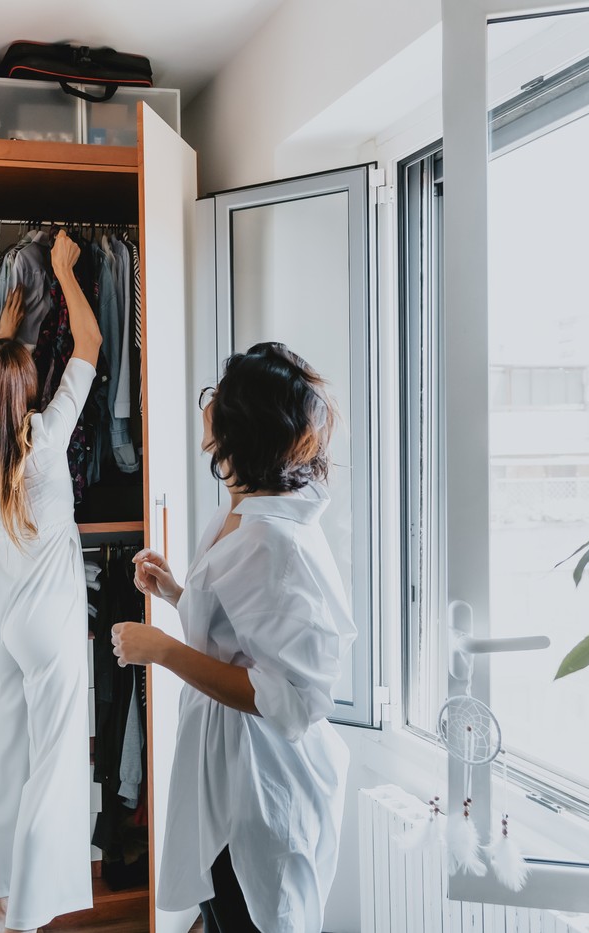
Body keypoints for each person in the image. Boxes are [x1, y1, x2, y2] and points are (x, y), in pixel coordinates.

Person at [111, 342, 356, 933]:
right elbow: (247, 630)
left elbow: (290, 698)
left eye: (220, 397)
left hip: (259, 780)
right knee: (222, 909)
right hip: (228, 766)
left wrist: (163, 652)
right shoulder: (247, 510)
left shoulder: (270, 539)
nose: (209, 406)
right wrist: (177, 594)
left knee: (243, 908)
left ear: (243, 430)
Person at [0, 230, 101, 933]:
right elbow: (92, 345)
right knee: (55, 766)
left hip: (1, 617)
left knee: (4, 759)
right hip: (48, 616)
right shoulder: (49, 434)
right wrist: (67, 271)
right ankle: (30, 912)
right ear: (29, 389)